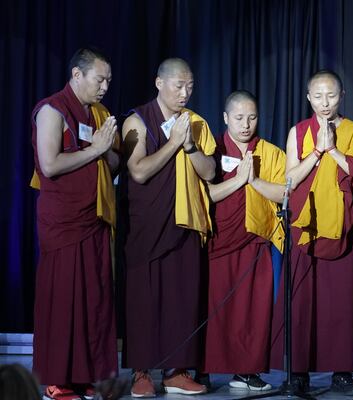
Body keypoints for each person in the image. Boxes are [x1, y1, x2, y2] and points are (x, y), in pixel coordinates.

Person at [270, 70, 353, 396]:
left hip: (342, 232)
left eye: (331, 96)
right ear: (308, 98)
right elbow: (290, 179)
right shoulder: (299, 132)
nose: (325, 103)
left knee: (343, 305)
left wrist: (335, 150)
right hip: (307, 229)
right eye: (318, 96)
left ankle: (343, 374)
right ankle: (298, 373)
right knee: (302, 304)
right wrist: (318, 152)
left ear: (342, 95)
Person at [121, 58, 216, 397]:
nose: (185, 93)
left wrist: (188, 145)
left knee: (181, 296)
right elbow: (139, 171)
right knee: (144, 297)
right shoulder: (136, 121)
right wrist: (174, 143)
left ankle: (176, 371)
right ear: (159, 83)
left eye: (190, 86)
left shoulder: (195, 124)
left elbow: (208, 172)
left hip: (185, 220)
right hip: (147, 222)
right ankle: (142, 372)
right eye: (179, 85)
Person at [31, 47, 120, 400]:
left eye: (109, 81)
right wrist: (97, 150)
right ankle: (57, 378)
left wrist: (110, 150)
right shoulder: (52, 110)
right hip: (64, 219)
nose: (105, 88)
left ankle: (84, 374)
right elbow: (50, 165)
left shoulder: (99, 114)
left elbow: (110, 164)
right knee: (63, 297)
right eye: (100, 80)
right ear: (77, 75)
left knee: (93, 298)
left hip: (94, 214)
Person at [197, 90, 285, 391]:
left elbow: (285, 193)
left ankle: (247, 370)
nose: (246, 124)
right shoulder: (212, 151)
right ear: (225, 118)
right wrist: (238, 180)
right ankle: (204, 368)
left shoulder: (270, 153)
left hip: (256, 239)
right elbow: (203, 195)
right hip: (219, 237)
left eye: (252, 117)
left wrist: (255, 181)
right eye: (239, 118)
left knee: (253, 309)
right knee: (214, 306)